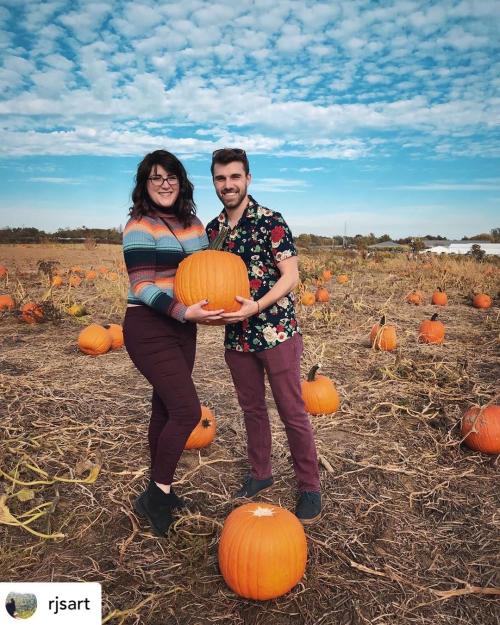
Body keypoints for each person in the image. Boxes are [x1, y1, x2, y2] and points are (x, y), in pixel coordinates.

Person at [206, 148, 322, 524]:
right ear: (214, 182)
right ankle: (261, 473)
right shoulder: (214, 230)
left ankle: (309, 485)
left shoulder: (271, 221)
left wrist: (256, 306)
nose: (228, 185)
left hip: (277, 331)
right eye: (221, 178)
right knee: (252, 409)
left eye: (235, 177)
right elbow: (209, 277)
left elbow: (291, 276)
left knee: (292, 411)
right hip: (236, 337)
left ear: (248, 179)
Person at [122, 150, 224, 537]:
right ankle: (157, 494)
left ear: (180, 182)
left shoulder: (193, 224)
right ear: (145, 185)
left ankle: (159, 487)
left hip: (184, 329)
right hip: (148, 325)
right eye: (155, 177)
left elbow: (207, 274)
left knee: (165, 407)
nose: (164, 183)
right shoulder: (139, 226)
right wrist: (183, 313)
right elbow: (142, 285)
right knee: (185, 411)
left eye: (171, 177)